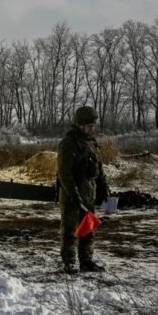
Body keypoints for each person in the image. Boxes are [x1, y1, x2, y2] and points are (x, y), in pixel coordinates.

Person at [56, 106, 110, 274]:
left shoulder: (91, 142)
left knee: (87, 228)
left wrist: (103, 188)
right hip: (72, 194)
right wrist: (74, 195)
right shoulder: (69, 143)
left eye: (93, 125)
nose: (91, 129)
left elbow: (98, 169)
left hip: (89, 193)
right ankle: (69, 262)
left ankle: (86, 261)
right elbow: (64, 173)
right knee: (70, 230)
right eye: (88, 126)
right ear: (79, 125)